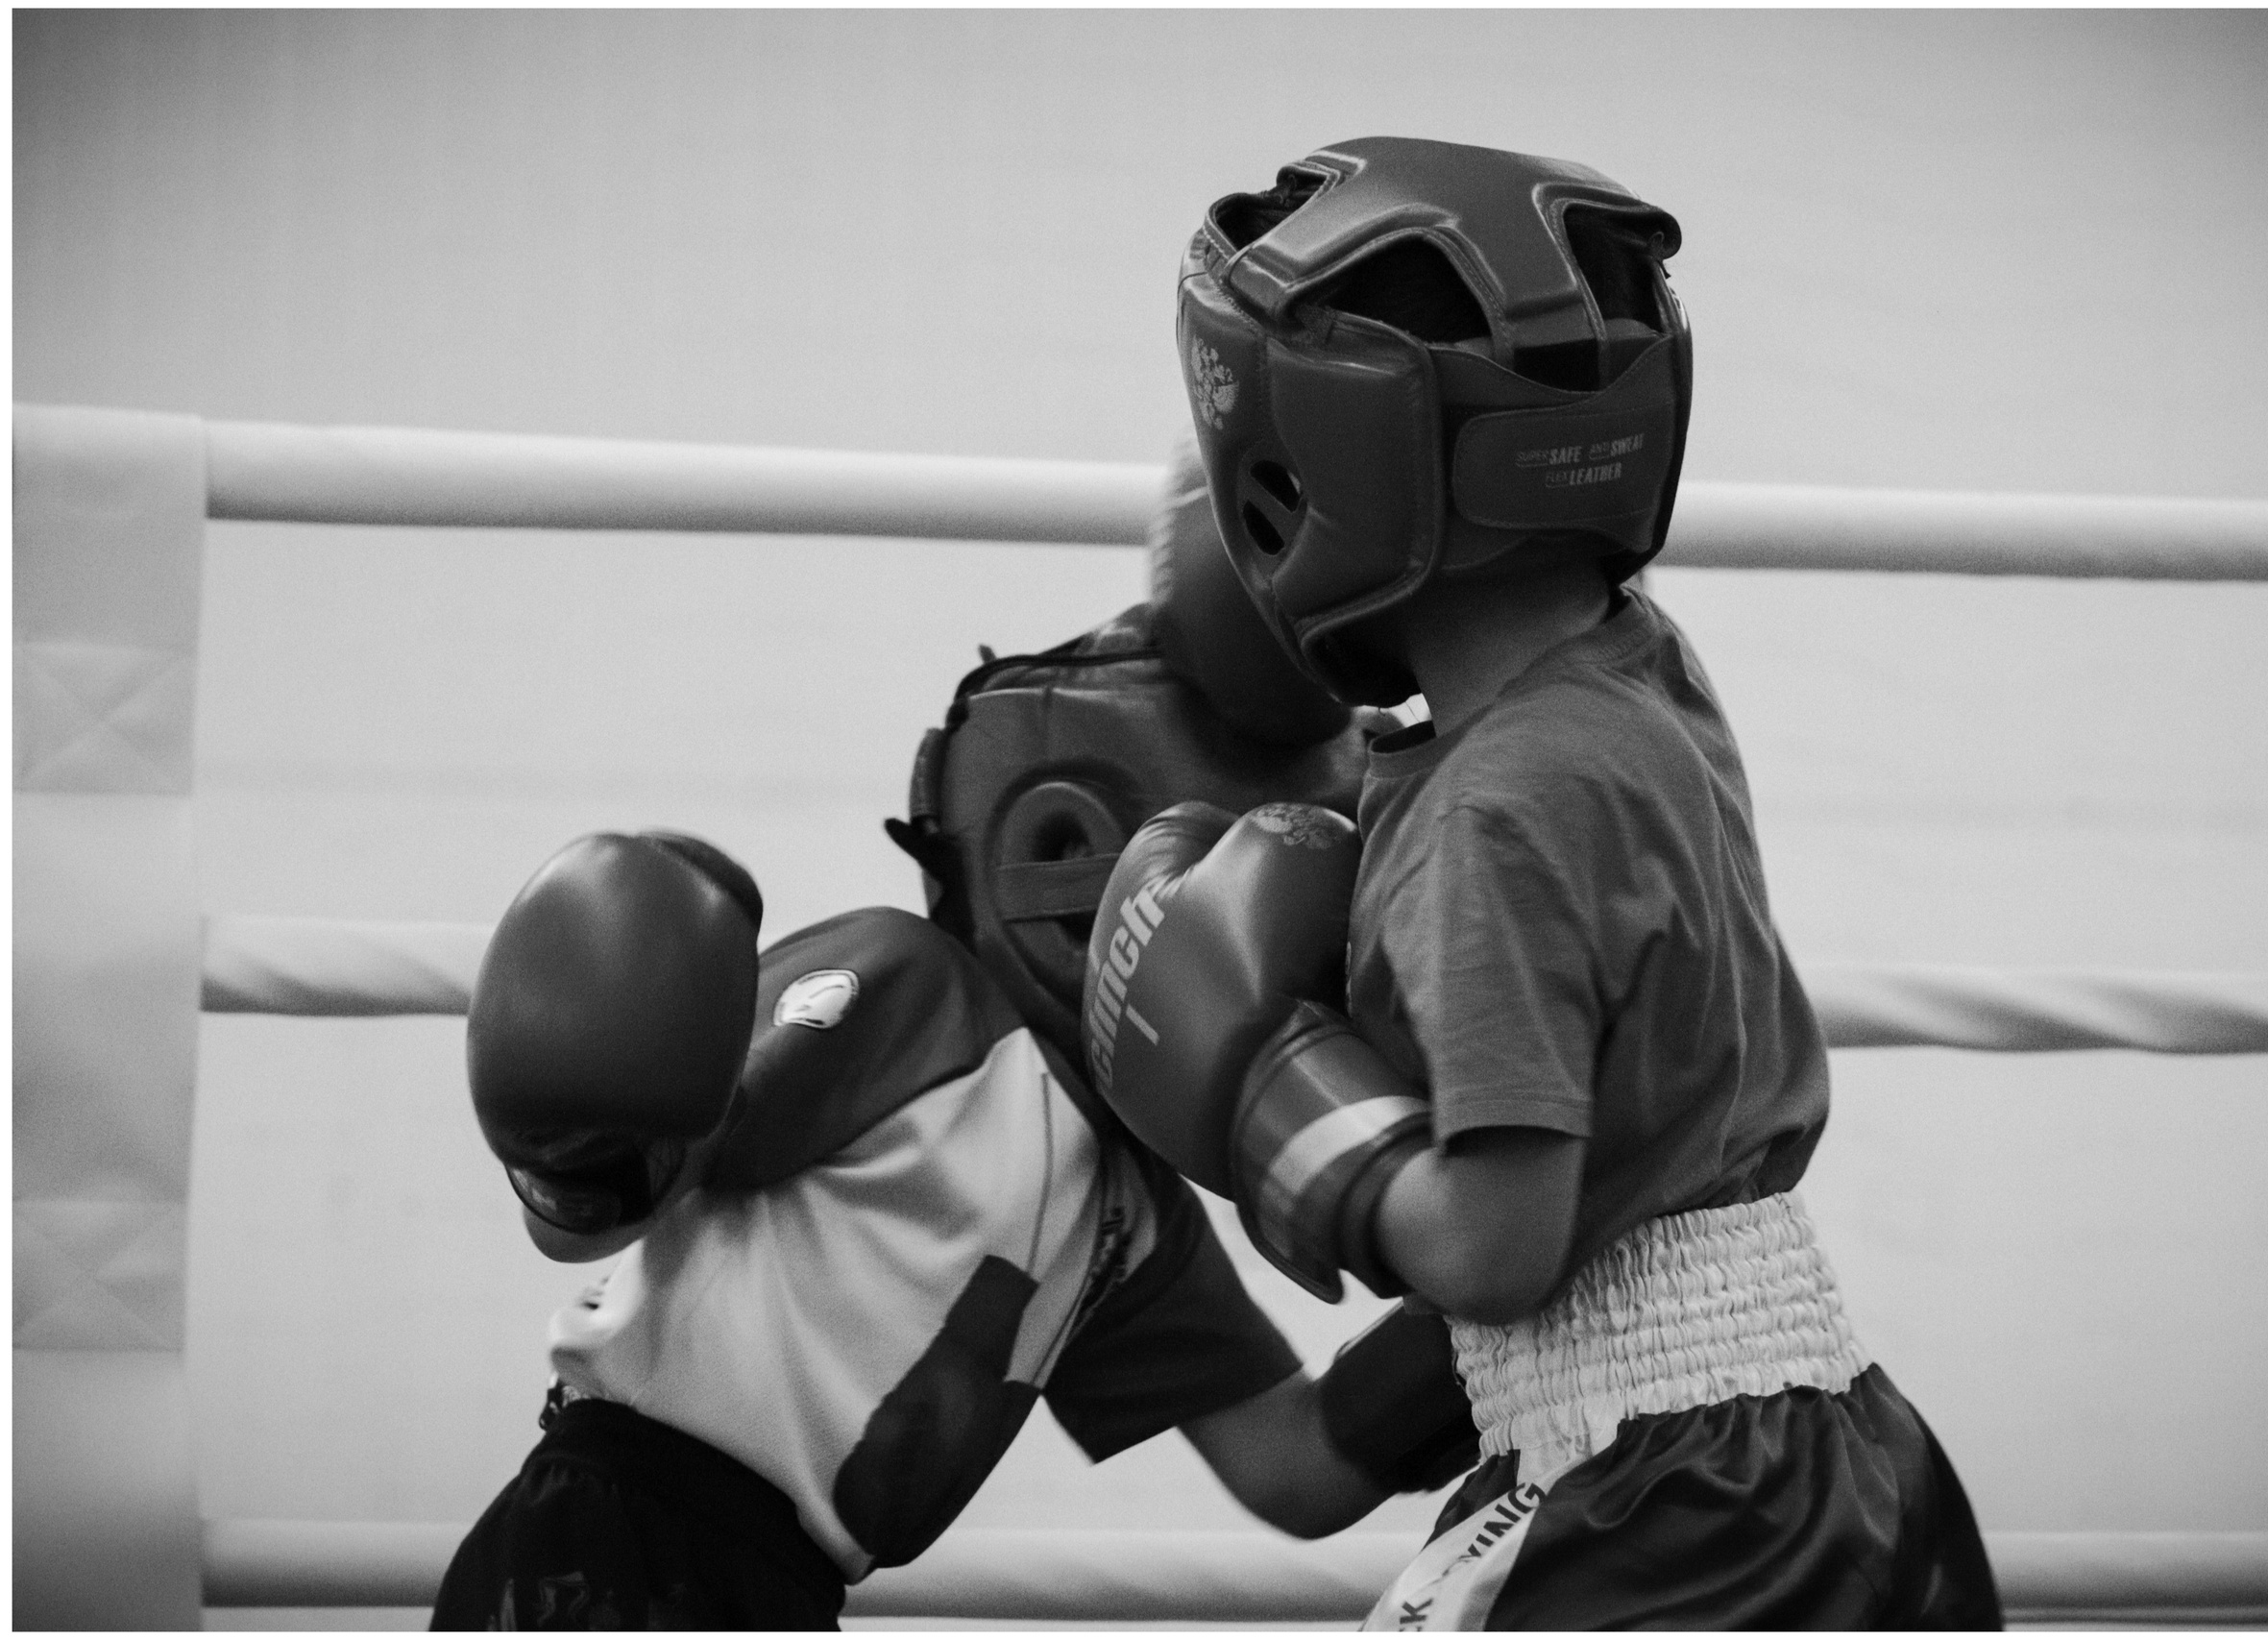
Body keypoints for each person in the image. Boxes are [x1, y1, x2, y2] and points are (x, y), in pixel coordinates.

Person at [1086, 135, 2004, 1629]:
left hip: (1657, 1494)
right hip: (1812, 1432)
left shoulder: (1493, 817)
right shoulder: (1642, 676)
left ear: (1312, 467)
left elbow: (1494, 1246)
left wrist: (1272, 1106)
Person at [430, 501, 1479, 1630]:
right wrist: (576, 1129)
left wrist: (1494, 1281)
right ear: (1064, 840)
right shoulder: (908, 984)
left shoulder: (1133, 1221)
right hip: (609, 1520)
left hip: (777, 1588)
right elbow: (638, 1156)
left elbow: (1296, 1464)